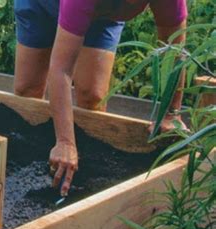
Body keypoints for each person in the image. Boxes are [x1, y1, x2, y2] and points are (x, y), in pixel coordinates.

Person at [13, 0, 188, 196]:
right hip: (42, 5)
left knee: (92, 97)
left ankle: (83, 178)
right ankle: (36, 164)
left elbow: (174, 51)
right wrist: (65, 141)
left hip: (100, 15)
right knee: (28, 91)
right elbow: (61, 69)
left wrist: (171, 113)